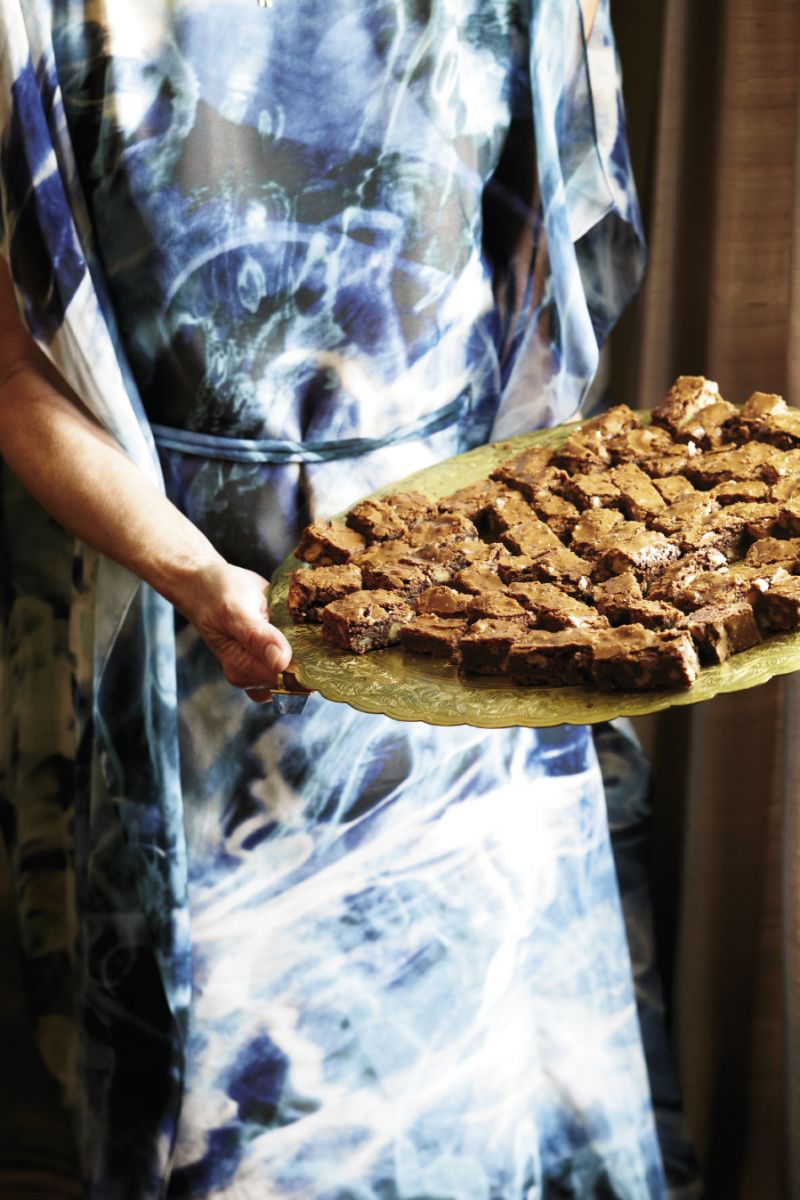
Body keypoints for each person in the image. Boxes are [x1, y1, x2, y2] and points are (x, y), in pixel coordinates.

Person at [0, 1, 698, 1196]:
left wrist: (554, 562)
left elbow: (548, 281)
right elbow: (17, 377)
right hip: (194, 646)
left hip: (472, 606)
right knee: (257, 1125)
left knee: (482, 1090)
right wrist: (194, 575)